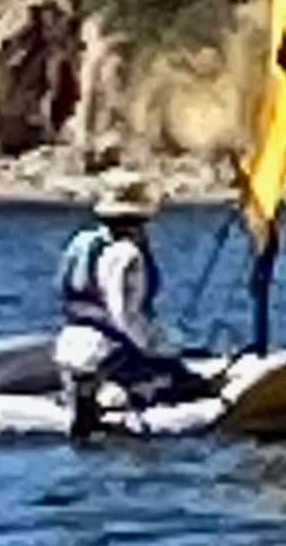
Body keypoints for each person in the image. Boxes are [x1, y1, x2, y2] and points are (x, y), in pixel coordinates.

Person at [54, 170, 199, 436]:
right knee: (180, 380)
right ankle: (108, 397)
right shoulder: (127, 255)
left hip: (69, 347)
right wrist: (157, 351)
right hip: (103, 354)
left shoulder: (83, 242)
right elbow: (122, 315)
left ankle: (88, 394)